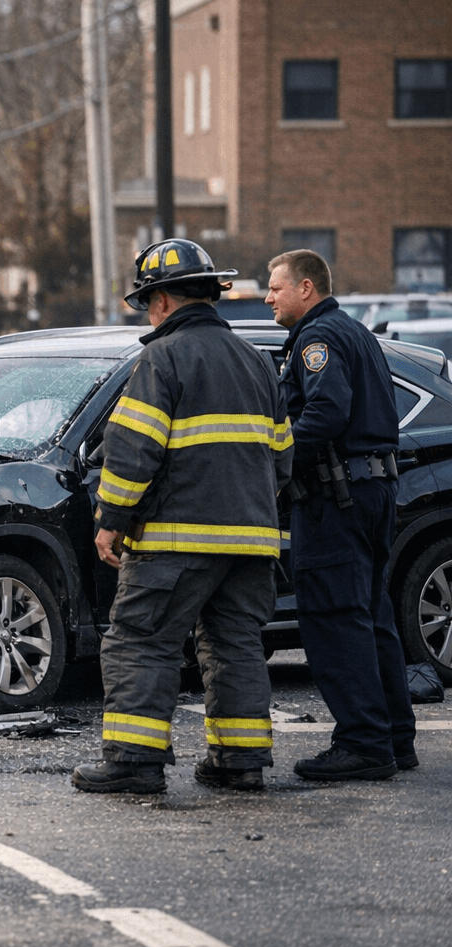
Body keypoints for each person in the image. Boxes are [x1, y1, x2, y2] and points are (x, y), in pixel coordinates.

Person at [71, 238, 293, 795]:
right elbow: (284, 457)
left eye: (148, 303)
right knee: (235, 644)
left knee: (140, 639)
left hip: (175, 541)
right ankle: (239, 762)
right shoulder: (257, 362)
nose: (149, 314)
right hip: (252, 542)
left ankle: (133, 762)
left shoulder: (162, 357)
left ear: (164, 302)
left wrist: (112, 519)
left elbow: (132, 450)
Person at [266, 248, 417, 781]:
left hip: (336, 500)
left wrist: (275, 458)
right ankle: (395, 738)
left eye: (276, 287)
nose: (268, 297)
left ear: (306, 288)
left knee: (334, 619)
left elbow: (327, 412)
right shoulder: (356, 332)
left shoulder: (317, 339)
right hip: (372, 493)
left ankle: (363, 744)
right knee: (371, 618)